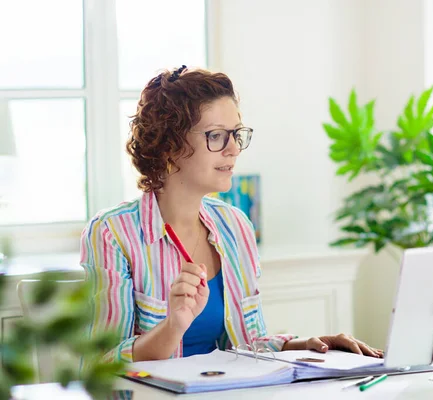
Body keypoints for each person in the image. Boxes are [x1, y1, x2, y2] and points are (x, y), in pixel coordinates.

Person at [80, 65, 383, 362]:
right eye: (216, 136)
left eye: (237, 134)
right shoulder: (112, 233)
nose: (234, 149)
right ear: (168, 144)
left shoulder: (235, 225)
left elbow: (247, 345)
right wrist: (173, 326)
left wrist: (308, 346)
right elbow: (104, 363)